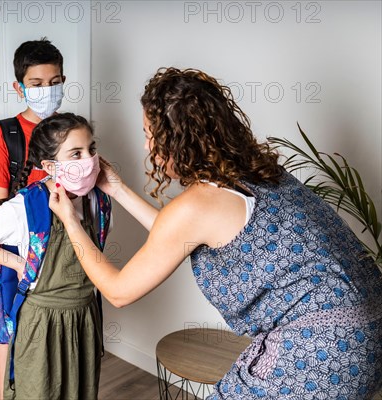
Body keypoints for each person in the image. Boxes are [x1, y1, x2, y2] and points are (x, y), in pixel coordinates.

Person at [48, 68, 382, 399]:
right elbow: (175, 235)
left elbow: (118, 291)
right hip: (371, 335)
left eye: (149, 133)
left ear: (174, 139)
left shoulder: (198, 204)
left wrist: (71, 221)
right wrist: (118, 189)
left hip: (323, 350)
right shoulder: (260, 174)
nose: (147, 144)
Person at [0, 113, 111, 400]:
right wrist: (15, 262)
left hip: (85, 316)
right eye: (76, 153)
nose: (89, 159)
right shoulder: (25, 208)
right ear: (51, 166)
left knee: (82, 390)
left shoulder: (98, 201)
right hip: (42, 322)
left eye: (91, 149)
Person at [0, 38, 65, 399]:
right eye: (37, 84)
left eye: (55, 82)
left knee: (48, 325)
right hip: (14, 249)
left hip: (61, 247)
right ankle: (5, 393)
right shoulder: (6, 134)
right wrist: (20, 256)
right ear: (19, 87)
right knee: (8, 327)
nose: (47, 91)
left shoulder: (70, 130)